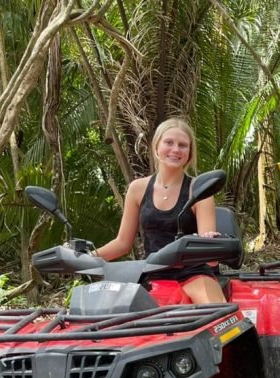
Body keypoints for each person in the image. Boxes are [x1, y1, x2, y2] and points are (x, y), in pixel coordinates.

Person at [95, 117, 226, 304]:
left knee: (217, 313)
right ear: (156, 147)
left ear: (189, 153)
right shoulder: (137, 189)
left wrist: (213, 246)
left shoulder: (199, 189)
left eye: (183, 145)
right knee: (122, 320)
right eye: (169, 142)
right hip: (154, 274)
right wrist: (87, 257)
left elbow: (208, 250)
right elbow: (123, 243)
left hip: (195, 274)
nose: (175, 149)